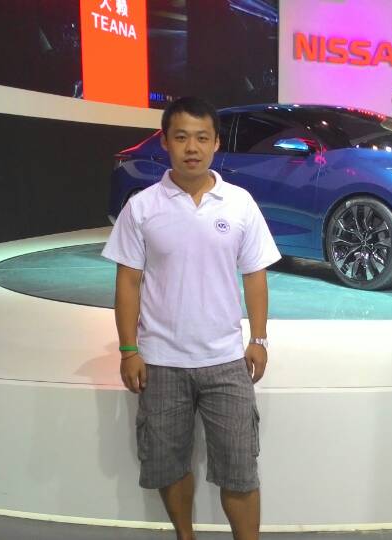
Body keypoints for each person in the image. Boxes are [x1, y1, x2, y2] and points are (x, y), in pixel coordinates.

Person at [102, 96, 281, 540]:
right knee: (169, 464)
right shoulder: (142, 207)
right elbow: (128, 283)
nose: (192, 148)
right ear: (165, 142)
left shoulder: (239, 204)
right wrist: (128, 350)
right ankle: (186, 536)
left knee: (240, 470)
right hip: (161, 361)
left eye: (202, 138)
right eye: (181, 137)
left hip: (226, 360)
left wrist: (258, 339)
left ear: (216, 143)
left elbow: (255, 276)